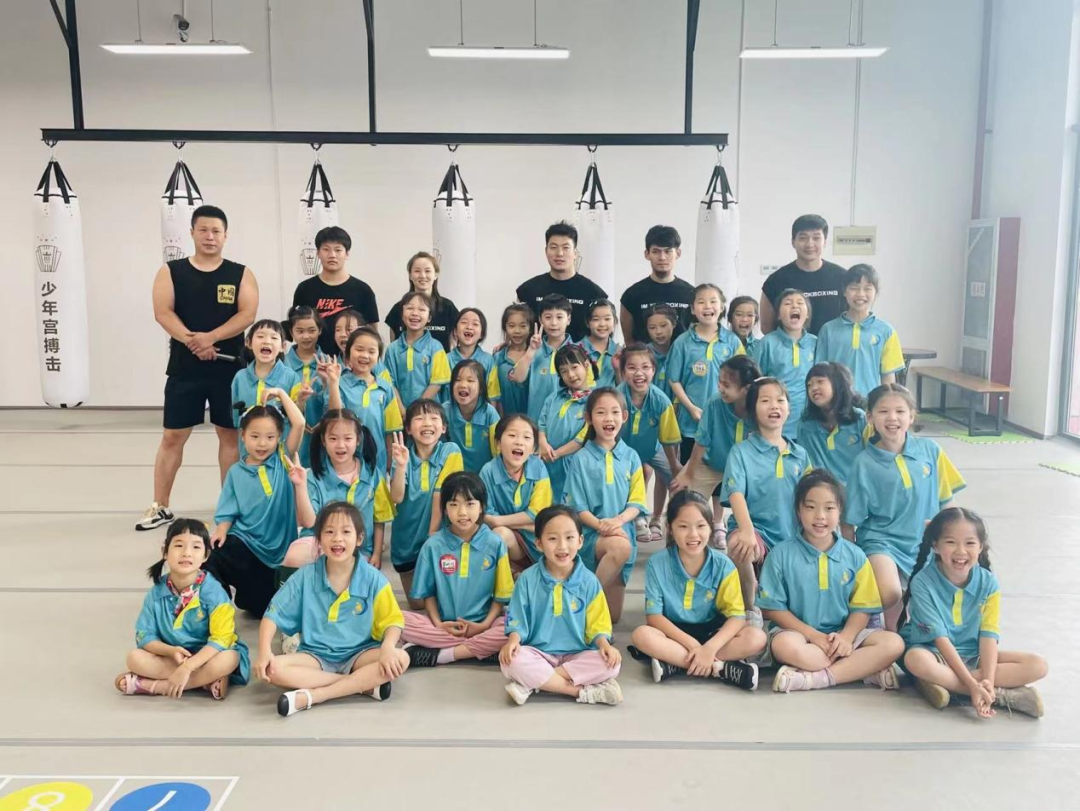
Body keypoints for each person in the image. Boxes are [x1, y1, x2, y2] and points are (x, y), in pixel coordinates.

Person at [141, 205, 258, 531]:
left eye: (216, 231)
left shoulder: (240, 273)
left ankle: (229, 509)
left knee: (230, 435)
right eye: (203, 230)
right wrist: (194, 342)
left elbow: (247, 315)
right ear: (192, 232)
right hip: (184, 368)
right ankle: (160, 505)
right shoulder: (171, 271)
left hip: (230, 370)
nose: (210, 236)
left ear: (225, 235)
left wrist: (212, 338)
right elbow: (163, 312)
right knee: (172, 436)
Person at [759, 469, 905, 693]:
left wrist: (846, 637)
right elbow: (772, 609)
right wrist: (814, 636)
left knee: (894, 644)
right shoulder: (780, 554)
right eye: (810, 507)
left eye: (829, 508)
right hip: (799, 634)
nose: (820, 516)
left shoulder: (855, 556)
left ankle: (817, 678)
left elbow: (863, 607)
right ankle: (860, 668)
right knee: (784, 645)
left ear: (840, 511)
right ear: (798, 510)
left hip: (845, 635)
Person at [257, 502, 409, 716]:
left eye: (346, 532)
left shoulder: (374, 579)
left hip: (360, 654)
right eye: (329, 532)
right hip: (315, 656)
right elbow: (272, 615)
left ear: (359, 539)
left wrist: (388, 647)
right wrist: (264, 651)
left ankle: (316, 695)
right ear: (319, 539)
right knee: (272, 669)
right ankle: (359, 685)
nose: (337, 538)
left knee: (401, 658)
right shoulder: (305, 576)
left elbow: (393, 621)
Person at [899, 508, 1047, 718]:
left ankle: (948, 685)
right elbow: (940, 639)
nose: (961, 551)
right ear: (936, 546)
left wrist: (987, 681)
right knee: (915, 659)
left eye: (969, 543)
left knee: (1038, 665)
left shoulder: (989, 583)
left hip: (974, 655)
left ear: (981, 547)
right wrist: (971, 684)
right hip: (935, 653)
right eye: (951, 542)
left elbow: (988, 636)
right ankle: (1000, 695)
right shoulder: (923, 582)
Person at [845, 384, 966, 630]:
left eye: (900, 411)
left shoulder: (930, 450)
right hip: (882, 542)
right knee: (890, 593)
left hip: (925, 542)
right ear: (869, 417)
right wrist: (848, 563)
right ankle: (883, 627)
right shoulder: (863, 463)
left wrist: (953, 538)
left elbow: (946, 502)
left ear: (911, 416)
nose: (892, 418)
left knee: (932, 607)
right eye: (883, 411)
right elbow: (849, 521)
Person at [628, 491, 764, 688]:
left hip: (713, 632)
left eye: (701, 526)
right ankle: (720, 669)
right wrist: (694, 646)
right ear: (670, 529)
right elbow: (654, 617)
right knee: (642, 635)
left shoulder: (723, 566)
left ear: (711, 527)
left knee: (756, 638)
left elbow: (736, 617)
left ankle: (676, 663)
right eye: (683, 526)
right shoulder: (657, 564)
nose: (693, 534)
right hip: (673, 633)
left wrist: (709, 648)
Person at [499, 505, 623, 706]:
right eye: (552, 539)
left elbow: (598, 624)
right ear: (539, 543)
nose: (562, 546)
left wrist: (604, 645)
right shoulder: (527, 579)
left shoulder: (589, 581)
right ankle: (580, 692)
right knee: (511, 661)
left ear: (580, 541)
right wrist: (513, 640)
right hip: (538, 652)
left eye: (569, 537)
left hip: (577, 653)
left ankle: (532, 683)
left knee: (611, 665)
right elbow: (518, 618)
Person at [116, 519, 249, 699]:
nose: (187, 553)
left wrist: (188, 667)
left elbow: (221, 639)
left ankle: (156, 686)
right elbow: (145, 636)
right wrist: (171, 651)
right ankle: (205, 682)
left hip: (208, 655)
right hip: (173, 657)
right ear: (165, 551)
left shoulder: (214, 593)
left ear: (206, 556)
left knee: (229, 658)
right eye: (179, 545)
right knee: (134, 657)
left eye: (196, 547)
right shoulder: (156, 593)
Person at [208, 397, 313, 617]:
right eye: (255, 436)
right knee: (211, 555)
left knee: (257, 607)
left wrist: (280, 393)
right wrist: (221, 530)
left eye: (270, 437)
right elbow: (228, 510)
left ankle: (247, 597)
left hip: (277, 554)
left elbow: (299, 423)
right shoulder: (235, 472)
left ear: (279, 437)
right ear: (242, 435)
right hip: (245, 542)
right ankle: (216, 611)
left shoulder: (282, 459)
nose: (262, 444)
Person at [402, 473, 515, 667]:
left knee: (513, 627)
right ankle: (481, 650)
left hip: (485, 624)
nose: (462, 512)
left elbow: (501, 595)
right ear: (445, 509)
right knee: (397, 619)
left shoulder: (495, 543)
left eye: (470, 504)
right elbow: (428, 594)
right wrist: (439, 624)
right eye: (454, 504)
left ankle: (443, 654)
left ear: (482, 507)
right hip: (443, 625)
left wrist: (484, 625)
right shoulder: (433, 546)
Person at [720, 377, 812, 610]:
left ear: (789, 409)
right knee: (739, 546)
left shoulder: (800, 454)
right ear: (752, 409)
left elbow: (810, 498)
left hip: (791, 536)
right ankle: (751, 606)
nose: (774, 406)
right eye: (765, 401)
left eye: (780, 400)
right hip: (756, 532)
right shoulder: (741, 452)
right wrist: (747, 531)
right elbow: (735, 494)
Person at [563, 388, 648, 623]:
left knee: (612, 618)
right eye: (601, 412)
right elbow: (577, 508)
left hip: (622, 532)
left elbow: (637, 502)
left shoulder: (631, 457)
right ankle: (583, 602)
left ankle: (583, 603)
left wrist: (617, 522)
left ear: (624, 416)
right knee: (620, 547)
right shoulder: (580, 459)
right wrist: (602, 526)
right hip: (592, 536)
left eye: (614, 412)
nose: (608, 418)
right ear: (589, 418)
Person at [671, 354, 761, 546]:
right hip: (711, 463)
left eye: (726, 385)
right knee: (683, 499)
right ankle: (677, 546)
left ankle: (729, 530)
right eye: (719, 382)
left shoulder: (759, 408)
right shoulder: (715, 404)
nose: (720, 388)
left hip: (746, 471)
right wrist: (688, 474)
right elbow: (701, 442)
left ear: (746, 389)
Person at [388, 399, 464, 605]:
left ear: (444, 427)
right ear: (408, 429)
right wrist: (401, 465)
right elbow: (396, 497)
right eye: (419, 418)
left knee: (445, 603)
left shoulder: (450, 451)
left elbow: (442, 493)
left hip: (439, 538)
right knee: (417, 605)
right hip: (406, 540)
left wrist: (432, 536)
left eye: (434, 418)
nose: (427, 423)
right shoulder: (402, 455)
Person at [302, 410, 395, 569]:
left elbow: (379, 518)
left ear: (358, 439)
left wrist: (377, 553)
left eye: (348, 438)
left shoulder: (372, 475)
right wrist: (299, 486)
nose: (340, 445)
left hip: (361, 552)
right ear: (323, 440)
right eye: (333, 438)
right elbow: (309, 522)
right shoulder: (313, 478)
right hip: (323, 552)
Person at [667, 283, 744, 463]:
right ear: (693, 309)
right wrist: (691, 408)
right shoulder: (682, 342)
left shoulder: (732, 342)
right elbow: (674, 380)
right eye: (701, 302)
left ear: (722, 307)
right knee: (691, 473)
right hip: (691, 422)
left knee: (722, 473)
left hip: (725, 421)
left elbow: (742, 379)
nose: (707, 306)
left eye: (713, 301)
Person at [617, 343, 682, 543]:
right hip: (623, 453)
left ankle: (666, 523)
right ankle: (635, 518)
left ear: (653, 370)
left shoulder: (661, 401)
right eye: (632, 368)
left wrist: (674, 467)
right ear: (623, 372)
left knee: (679, 481)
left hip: (653, 449)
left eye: (645, 367)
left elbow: (668, 439)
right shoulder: (617, 398)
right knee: (621, 479)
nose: (639, 373)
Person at [816, 264, 905, 399]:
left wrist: (885, 403)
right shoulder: (828, 329)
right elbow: (821, 373)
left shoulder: (887, 332)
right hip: (836, 403)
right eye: (854, 288)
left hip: (870, 404)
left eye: (867, 288)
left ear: (876, 292)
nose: (860, 294)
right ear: (844, 291)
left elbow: (887, 377)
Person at [290, 226, 380, 357]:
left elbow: (372, 331)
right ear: (318, 253)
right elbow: (297, 325)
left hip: (352, 362)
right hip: (314, 361)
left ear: (347, 254)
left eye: (338, 250)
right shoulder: (304, 289)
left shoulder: (363, 290)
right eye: (326, 249)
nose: (332, 255)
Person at [323, 327, 403, 474]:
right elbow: (334, 417)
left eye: (371, 351)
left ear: (378, 357)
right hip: (344, 460)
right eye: (359, 349)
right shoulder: (338, 383)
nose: (365, 355)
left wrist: (390, 465)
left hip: (377, 464)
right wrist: (333, 382)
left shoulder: (385, 387)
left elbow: (390, 431)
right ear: (348, 353)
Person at [480, 414, 552, 567]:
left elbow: (537, 514)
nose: (519, 442)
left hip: (537, 541)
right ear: (498, 443)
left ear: (533, 448)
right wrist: (526, 524)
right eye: (512, 435)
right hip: (510, 539)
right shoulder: (488, 471)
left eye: (527, 437)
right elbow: (488, 517)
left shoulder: (538, 467)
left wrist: (500, 521)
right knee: (499, 534)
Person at [516, 222, 607, 342]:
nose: (559, 253)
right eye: (553, 247)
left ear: (575, 253)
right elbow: (516, 325)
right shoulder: (528, 290)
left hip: (580, 353)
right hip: (537, 353)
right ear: (546, 251)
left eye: (566, 248)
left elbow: (603, 336)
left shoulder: (594, 293)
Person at [760, 214, 846, 335]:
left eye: (816, 238)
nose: (809, 244)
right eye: (803, 238)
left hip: (834, 346)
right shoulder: (776, 280)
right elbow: (766, 327)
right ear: (793, 242)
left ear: (825, 242)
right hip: (791, 346)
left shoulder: (842, 277)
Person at [752, 289, 816, 437]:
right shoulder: (767, 343)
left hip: (809, 423)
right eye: (787, 303)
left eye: (800, 303)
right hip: (775, 421)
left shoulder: (815, 343)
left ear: (807, 314)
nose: (794, 306)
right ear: (778, 315)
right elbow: (754, 382)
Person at [620, 225, 696, 343]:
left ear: (678, 253)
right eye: (656, 251)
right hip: (645, 355)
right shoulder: (632, 295)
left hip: (683, 355)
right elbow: (629, 342)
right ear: (647, 254)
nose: (662, 257)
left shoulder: (691, 293)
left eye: (668, 251)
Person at [797, 362, 868, 485]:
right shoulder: (806, 424)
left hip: (857, 489)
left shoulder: (860, 419)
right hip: (821, 491)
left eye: (820, 381)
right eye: (809, 385)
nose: (814, 388)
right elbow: (806, 466)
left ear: (838, 385)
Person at [537, 344, 593, 501]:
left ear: (586, 365)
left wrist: (556, 454)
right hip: (547, 462)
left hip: (573, 465)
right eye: (564, 371)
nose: (571, 375)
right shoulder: (553, 397)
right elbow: (541, 424)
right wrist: (543, 444)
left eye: (574, 367)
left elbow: (583, 438)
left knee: (571, 506)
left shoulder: (594, 401)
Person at [511, 294, 576, 425]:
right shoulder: (533, 350)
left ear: (568, 319)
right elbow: (517, 378)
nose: (554, 323)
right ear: (540, 320)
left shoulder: (578, 351)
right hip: (534, 423)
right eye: (548, 317)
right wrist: (531, 350)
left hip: (566, 426)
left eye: (559, 317)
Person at [384, 292, 452, 408]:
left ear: (429, 317)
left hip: (428, 412)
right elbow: (390, 383)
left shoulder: (436, 347)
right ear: (402, 315)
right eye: (410, 308)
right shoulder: (392, 349)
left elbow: (436, 383)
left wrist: (416, 410)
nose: (415, 313)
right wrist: (402, 410)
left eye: (421, 309)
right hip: (400, 413)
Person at [385, 251, 458, 350]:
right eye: (417, 271)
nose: (422, 275)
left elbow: (454, 345)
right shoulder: (398, 308)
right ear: (410, 275)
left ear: (436, 275)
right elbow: (393, 346)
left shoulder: (447, 307)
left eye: (427, 271)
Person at [446, 359, 501, 473]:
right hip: (453, 476)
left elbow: (498, 451)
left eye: (470, 380)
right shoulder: (444, 411)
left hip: (484, 477)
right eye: (457, 380)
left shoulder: (490, 413)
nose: (463, 384)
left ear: (481, 388)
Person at [445, 308, 499, 404]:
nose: (469, 327)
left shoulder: (488, 361)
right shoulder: (445, 359)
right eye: (464, 322)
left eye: (475, 324)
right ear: (455, 331)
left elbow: (492, 397)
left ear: (482, 334)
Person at [491, 304, 534, 418]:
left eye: (523, 326)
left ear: (530, 328)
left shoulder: (536, 357)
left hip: (531, 421)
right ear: (505, 327)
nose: (517, 331)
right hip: (504, 420)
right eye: (511, 326)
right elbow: (494, 394)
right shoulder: (498, 357)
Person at [580, 299, 622, 388]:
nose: (602, 324)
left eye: (607, 319)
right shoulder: (575, 349)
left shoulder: (619, 352)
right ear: (587, 322)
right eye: (596, 319)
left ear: (615, 321)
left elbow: (624, 388)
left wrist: (617, 370)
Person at [645, 304, 682, 398]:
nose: (658, 332)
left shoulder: (681, 352)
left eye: (663, 325)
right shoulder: (643, 354)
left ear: (673, 324)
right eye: (652, 327)